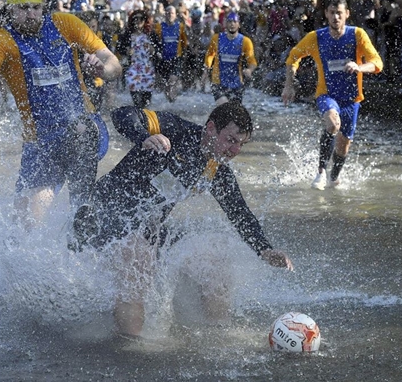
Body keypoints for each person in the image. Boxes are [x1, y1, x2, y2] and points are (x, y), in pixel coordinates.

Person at [71, 102, 294, 337]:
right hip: (99, 219)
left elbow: (240, 214)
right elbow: (122, 114)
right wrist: (144, 137)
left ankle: (217, 333)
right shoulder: (176, 131)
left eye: (241, 144)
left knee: (215, 260)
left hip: (145, 231)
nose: (235, 150)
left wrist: (264, 250)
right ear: (210, 129)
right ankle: (130, 346)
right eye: (230, 140)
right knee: (137, 255)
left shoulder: (215, 170)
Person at [0, 0, 122, 229]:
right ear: (11, 9)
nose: (31, 14)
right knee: (23, 227)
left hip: (85, 128)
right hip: (40, 143)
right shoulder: (1, 40)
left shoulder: (66, 24)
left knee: (80, 132)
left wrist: (103, 71)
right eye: (23, 8)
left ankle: (83, 216)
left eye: (35, 7)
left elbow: (113, 63)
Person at [282, 0, 383, 190]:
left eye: (339, 13)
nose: (336, 17)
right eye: (332, 13)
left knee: (343, 145)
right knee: (332, 124)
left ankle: (334, 177)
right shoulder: (315, 37)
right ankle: (320, 173)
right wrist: (289, 84)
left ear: (347, 14)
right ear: (326, 14)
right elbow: (293, 57)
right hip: (326, 94)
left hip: (352, 98)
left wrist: (360, 67)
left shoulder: (358, 35)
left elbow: (377, 62)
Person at [203, 11, 257, 104]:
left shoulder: (245, 41)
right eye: (230, 22)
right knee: (224, 106)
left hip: (236, 82)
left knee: (235, 112)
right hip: (218, 80)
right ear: (225, 24)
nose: (232, 24)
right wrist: (206, 69)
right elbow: (210, 55)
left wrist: (249, 70)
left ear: (239, 24)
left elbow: (252, 61)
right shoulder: (216, 38)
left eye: (235, 22)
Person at [152, 5, 188, 102]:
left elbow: (185, 43)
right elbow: (155, 41)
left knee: (172, 80)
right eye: (168, 13)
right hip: (163, 59)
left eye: (172, 13)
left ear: (175, 15)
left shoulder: (180, 26)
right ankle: (171, 102)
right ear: (165, 14)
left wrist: (184, 56)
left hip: (176, 58)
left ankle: (173, 102)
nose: (170, 15)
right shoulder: (159, 27)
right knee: (165, 85)